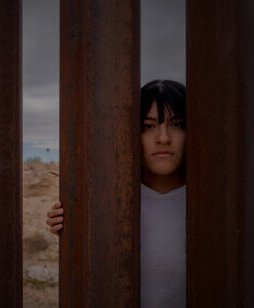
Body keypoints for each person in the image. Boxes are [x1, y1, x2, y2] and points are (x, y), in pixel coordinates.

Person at [46, 79, 186, 307]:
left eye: (177, 124)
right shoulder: (109, 201)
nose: (163, 138)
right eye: (149, 126)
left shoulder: (213, 202)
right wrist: (65, 224)